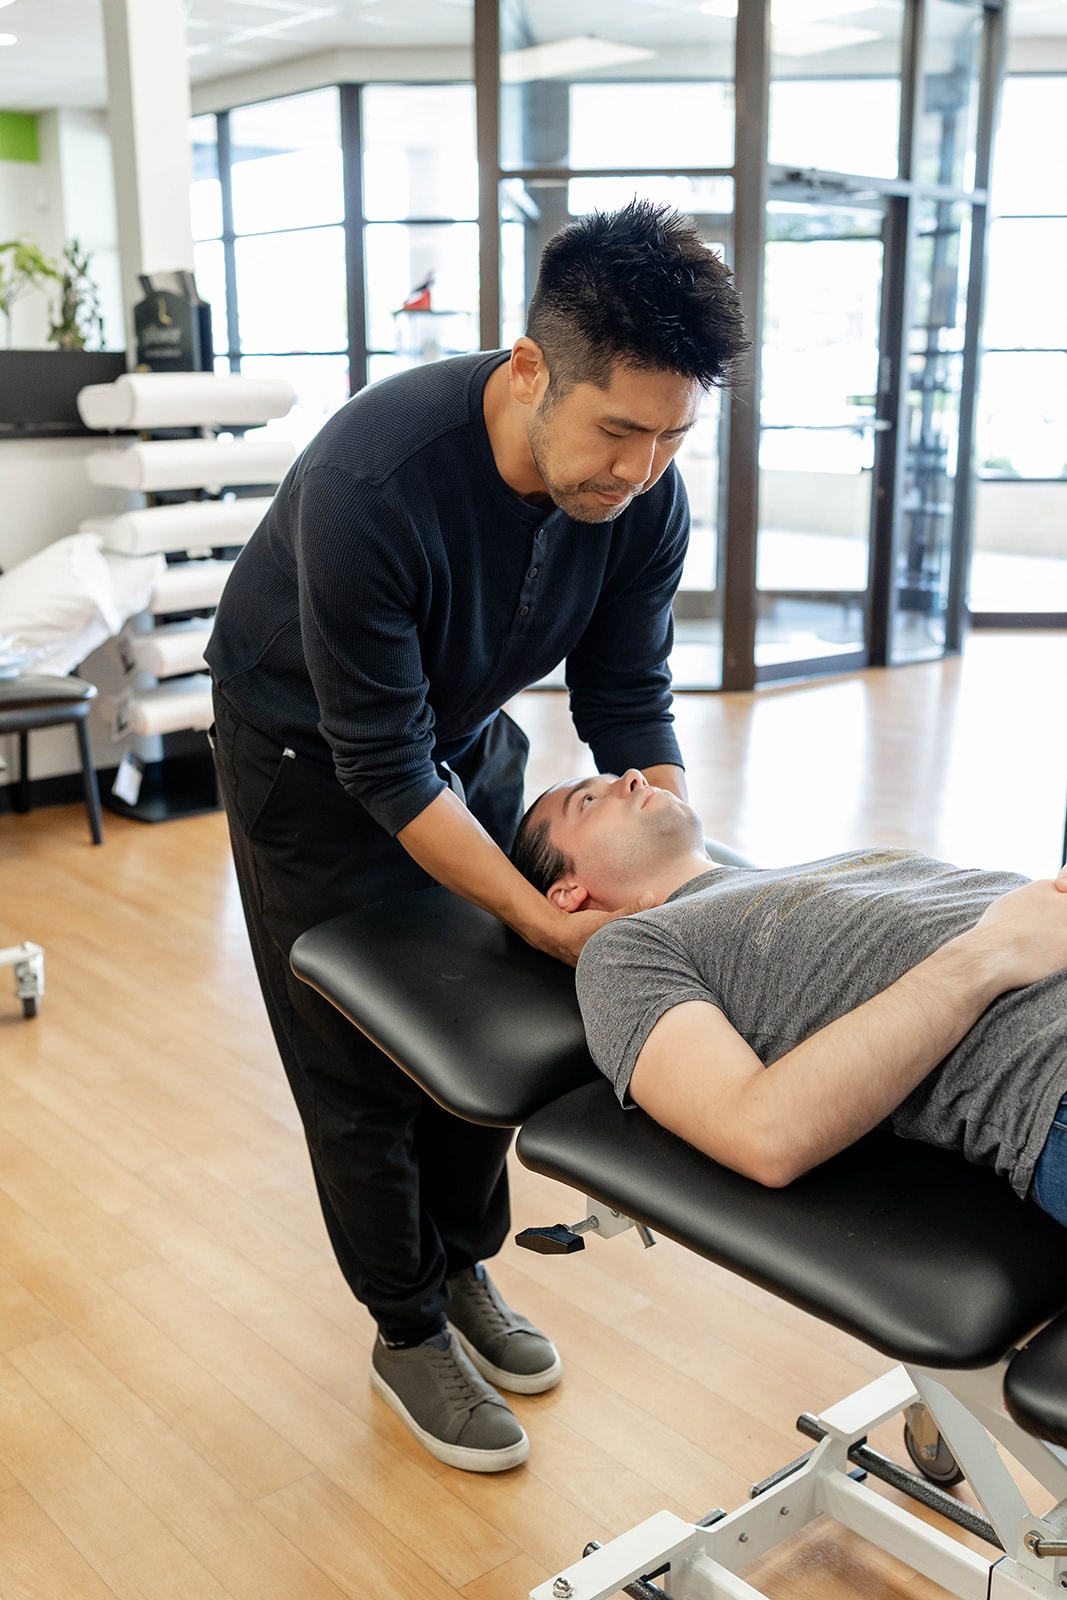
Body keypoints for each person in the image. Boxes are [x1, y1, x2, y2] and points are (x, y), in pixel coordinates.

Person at [205, 199, 748, 1474]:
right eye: (617, 428)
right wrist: (530, 904)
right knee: (354, 1061)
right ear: (526, 370)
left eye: (671, 436)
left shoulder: (641, 496)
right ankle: (404, 1327)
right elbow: (378, 764)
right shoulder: (371, 480)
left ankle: (464, 1275)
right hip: (309, 762)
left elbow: (626, 697)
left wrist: (658, 872)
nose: (641, 467)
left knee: (479, 1031)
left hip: (455, 735)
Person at [510, 769, 1067, 1228]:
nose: (630, 777)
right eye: (588, 800)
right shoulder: (628, 949)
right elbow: (761, 1135)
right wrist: (990, 952)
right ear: (567, 892)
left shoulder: (814, 868)